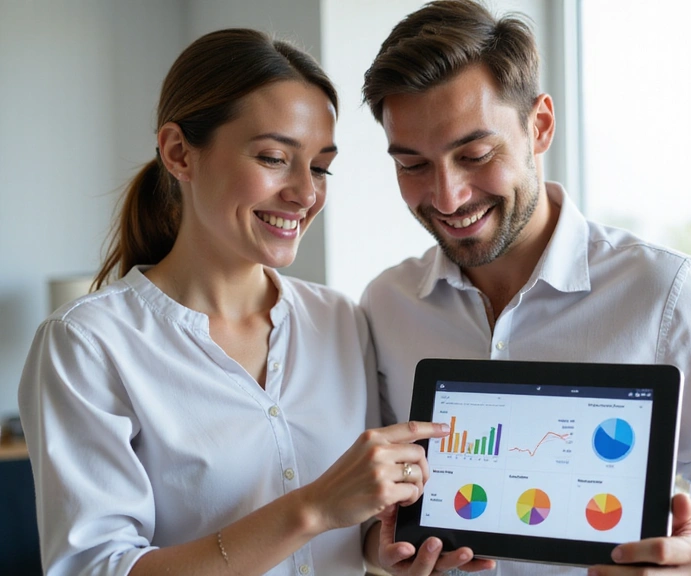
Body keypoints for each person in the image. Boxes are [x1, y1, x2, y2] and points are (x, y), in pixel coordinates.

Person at [17, 28, 453, 576]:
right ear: (179, 152)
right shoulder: (87, 344)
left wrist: (385, 549)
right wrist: (311, 509)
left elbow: (354, 524)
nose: (306, 192)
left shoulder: (340, 321)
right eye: (274, 157)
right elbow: (96, 568)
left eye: (320, 167)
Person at [360, 1, 691, 575]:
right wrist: (383, 552)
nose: (447, 197)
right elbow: (375, 506)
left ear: (540, 126)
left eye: (475, 155)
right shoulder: (386, 304)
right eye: (413, 165)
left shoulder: (665, 292)